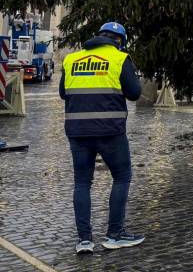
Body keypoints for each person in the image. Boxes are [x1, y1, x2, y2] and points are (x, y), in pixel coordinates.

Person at [60, 22, 144, 254]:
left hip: (77, 132)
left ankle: (84, 240)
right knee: (121, 177)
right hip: (110, 132)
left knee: (82, 183)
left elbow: (62, 93)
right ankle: (114, 235)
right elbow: (135, 93)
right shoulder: (119, 58)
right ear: (120, 41)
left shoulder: (72, 59)